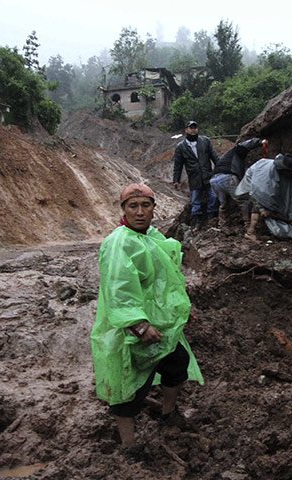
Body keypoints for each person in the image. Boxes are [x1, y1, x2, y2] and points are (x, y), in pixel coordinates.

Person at [90, 183, 204, 462]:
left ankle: (167, 414)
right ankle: (129, 447)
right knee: (128, 388)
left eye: (145, 205)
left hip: (161, 325)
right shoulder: (119, 242)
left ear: (154, 208)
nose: (140, 212)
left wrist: (180, 310)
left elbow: (167, 281)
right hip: (131, 329)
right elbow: (119, 288)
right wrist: (138, 326)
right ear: (123, 210)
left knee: (176, 366)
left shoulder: (152, 236)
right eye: (133, 206)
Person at [235, 153, 292, 242]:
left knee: (268, 209)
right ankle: (250, 232)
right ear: (283, 169)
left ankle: (262, 230)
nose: (291, 174)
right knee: (257, 207)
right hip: (252, 183)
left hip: (260, 188)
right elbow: (257, 193)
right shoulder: (265, 175)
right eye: (290, 172)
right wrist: (263, 209)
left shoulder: (288, 177)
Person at [209, 137, 266, 229]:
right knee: (243, 201)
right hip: (227, 178)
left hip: (214, 180)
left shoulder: (226, 159)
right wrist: (260, 142)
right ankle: (248, 225)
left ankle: (222, 225)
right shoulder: (237, 151)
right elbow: (244, 145)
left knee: (224, 204)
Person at [172, 120, 221, 228]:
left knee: (213, 196)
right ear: (186, 130)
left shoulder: (205, 141)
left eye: (195, 127)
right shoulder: (181, 147)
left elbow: (214, 156)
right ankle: (197, 222)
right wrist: (176, 180)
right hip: (194, 178)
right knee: (195, 201)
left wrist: (222, 168)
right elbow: (178, 165)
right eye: (191, 128)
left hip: (208, 175)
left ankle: (211, 217)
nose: (193, 130)